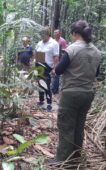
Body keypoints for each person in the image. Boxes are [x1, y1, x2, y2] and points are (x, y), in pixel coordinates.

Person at [54, 20, 101, 164]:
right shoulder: (97, 52)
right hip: (88, 93)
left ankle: (62, 160)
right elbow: (96, 73)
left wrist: (54, 69)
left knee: (66, 126)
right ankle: (75, 157)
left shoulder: (72, 49)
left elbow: (59, 70)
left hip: (71, 93)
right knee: (79, 126)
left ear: (74, 34)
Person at [35, 27, 59, 112]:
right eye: (41, 34)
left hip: (47, 66)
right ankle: (41, 100)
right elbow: (36, 53)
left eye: (43, 34)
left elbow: (56, 56)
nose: (42, 36)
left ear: (48, 34)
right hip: (38, 65)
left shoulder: (54, 43)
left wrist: (54, 68)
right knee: (39, 84)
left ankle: (49, 104)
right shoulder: (39, 43)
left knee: (47, 86)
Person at [51, 29, 67, 94]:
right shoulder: (52, 41)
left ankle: (54, 89)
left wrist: (62, 61)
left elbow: (64, 51)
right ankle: (54, 88)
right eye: (54, 33)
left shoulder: (62, 41)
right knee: (53, 74)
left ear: (59, 34)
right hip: (53, 60)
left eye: (57, 34)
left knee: (56, 74)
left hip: (59, 60)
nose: (55, 35)